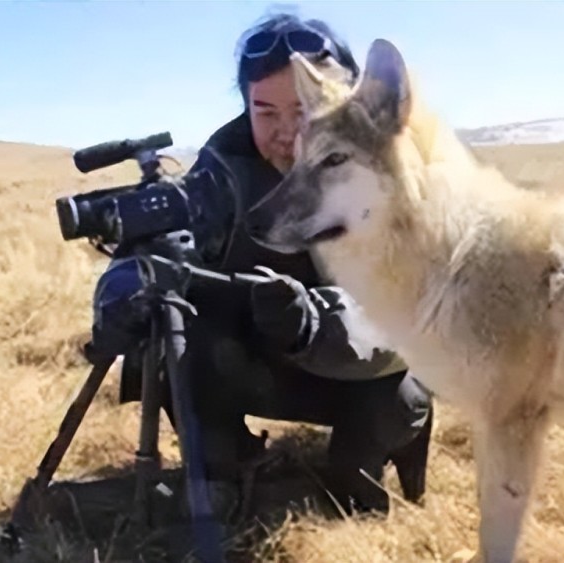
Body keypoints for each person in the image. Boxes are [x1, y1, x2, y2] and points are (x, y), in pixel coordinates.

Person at [88, 11, 434, 519]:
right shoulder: (224, 169)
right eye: (265, 112)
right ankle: (224, 469)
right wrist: (120, 296)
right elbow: (155, 252)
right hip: (255, 364)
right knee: (177, 339)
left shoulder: (392, 176)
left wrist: (315, 323)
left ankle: (355, 477)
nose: (285, 132)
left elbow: (403, 317)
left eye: (303, 109)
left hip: (363, 372)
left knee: (401, 398)